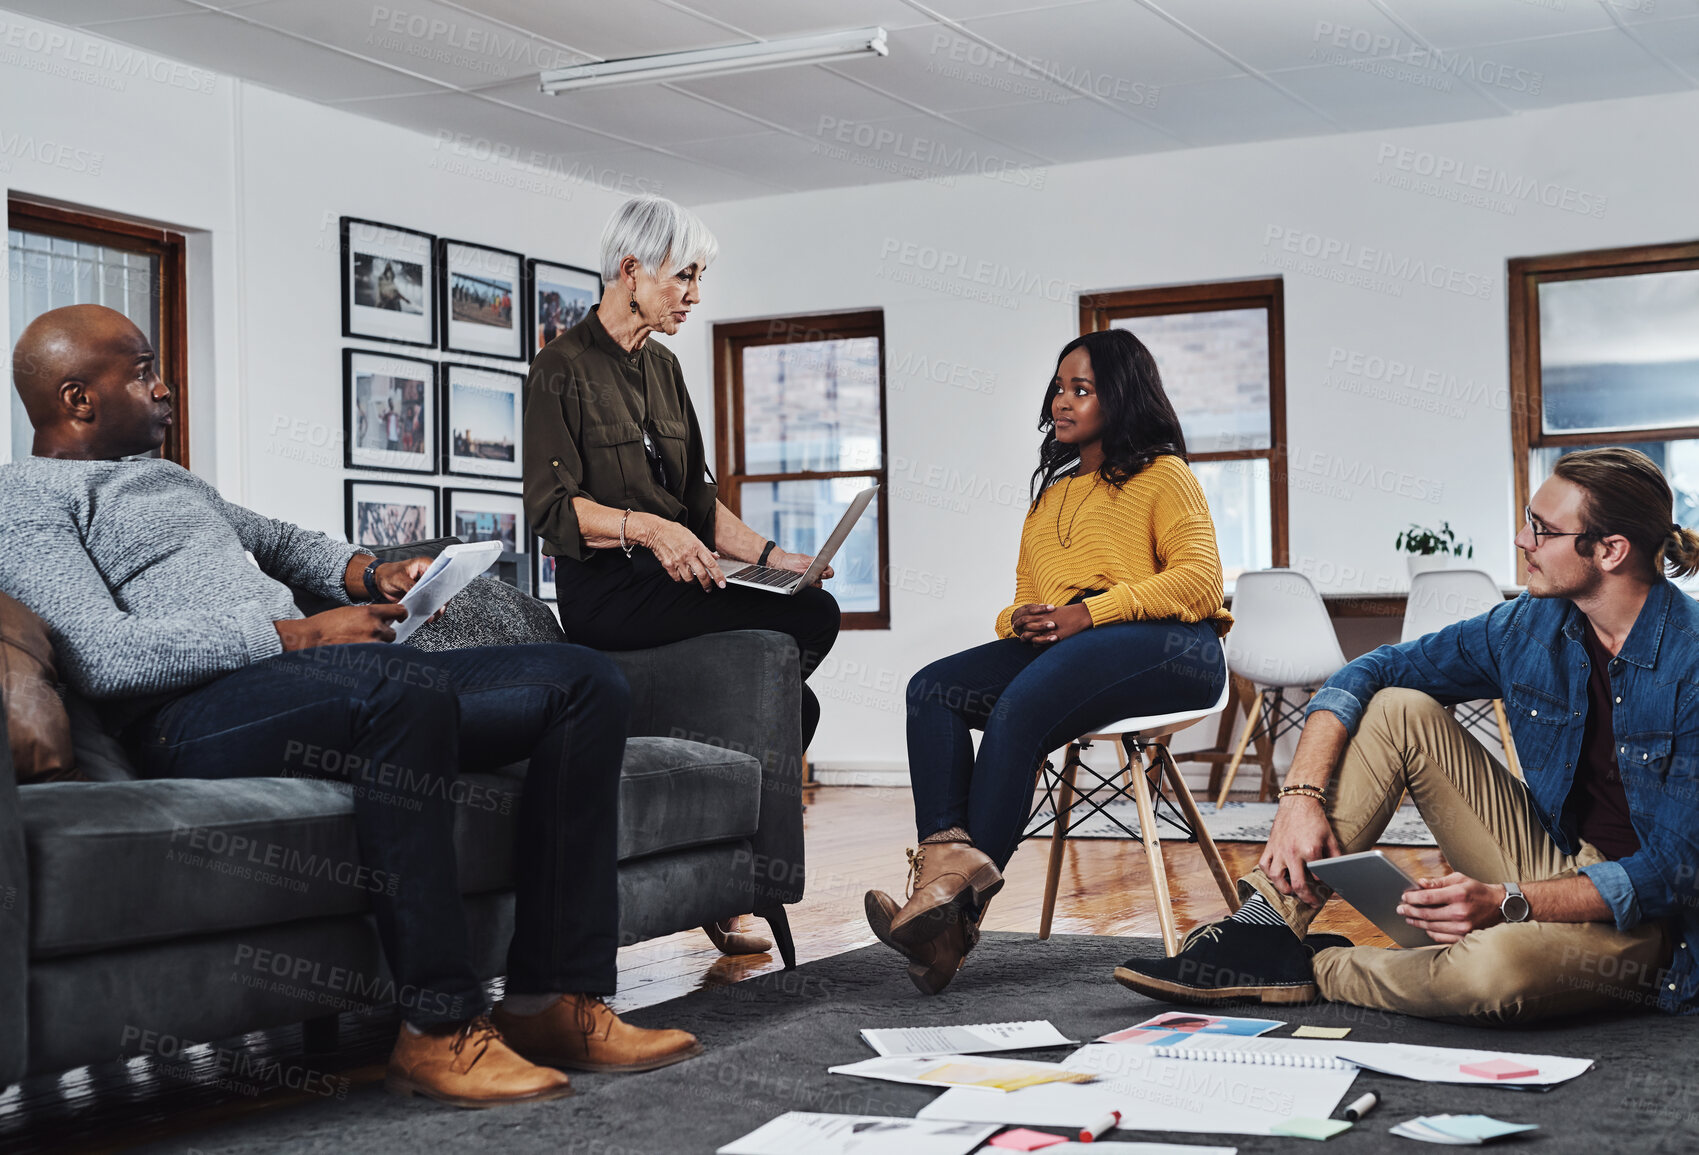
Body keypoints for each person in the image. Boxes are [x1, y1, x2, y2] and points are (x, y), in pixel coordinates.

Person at [0, 304, 702, 1108]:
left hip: (307, 685)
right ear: (77, 398)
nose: (165, 385)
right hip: (188, 719)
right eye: (142, 371)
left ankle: (552, 998)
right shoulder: (18, 500)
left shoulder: (170, 479)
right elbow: (106, 657)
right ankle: (439, 1028)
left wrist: (366, 572)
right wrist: (292, 636)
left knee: (582, 682)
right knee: (399, 684)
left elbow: (283, 541)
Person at [1115, 447, 1699, 1025]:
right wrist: (1300, 797)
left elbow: (1675, 873)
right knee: (1396, 707)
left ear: (1610, 550)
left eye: (1542, 530)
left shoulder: (1691, 661)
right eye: (1528, 519)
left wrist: (1508, 902)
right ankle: (1263, 929)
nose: (1522, 541)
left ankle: (1317, 970)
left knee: (1491, 974)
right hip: (1553, 860)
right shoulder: (1531, 623)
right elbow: (1371, 670)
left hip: (1649, 921)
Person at [864, 329, 1232, 994]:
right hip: (1074, 648)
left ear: (1118, 398)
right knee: (932, 689)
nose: (1062, 401)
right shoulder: (1051, 497)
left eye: (1081, 390)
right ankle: (944, 898)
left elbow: (1200, 582)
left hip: (1175, 649)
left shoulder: (1163, 475)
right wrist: (1023, 621)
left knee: (1022, 703)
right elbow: (1020, 603)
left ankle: (951, 904)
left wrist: (1088, 613)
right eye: (1059, 388)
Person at [524, 195, 843, 961]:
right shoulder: (559, 368)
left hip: (677, 581)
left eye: (699, 278)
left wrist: (775, 559)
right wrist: (645, 527)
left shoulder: (664, 370)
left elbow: (699, 505)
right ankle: (739, 875)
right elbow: (550, 507)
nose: (694, 296)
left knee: (806, 635)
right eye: (684, 278)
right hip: (609, 593)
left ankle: (728, 850)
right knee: (798, 645)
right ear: (630, 271)